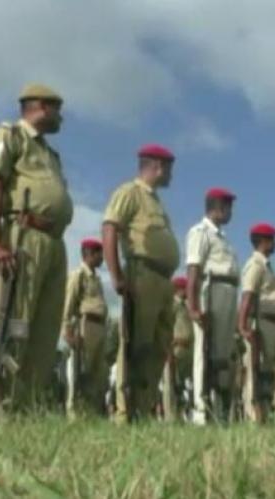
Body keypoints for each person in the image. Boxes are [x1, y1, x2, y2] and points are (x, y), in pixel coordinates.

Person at [0, 84, 73, 416]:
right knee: (15, 324)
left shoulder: (50, 153)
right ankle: (0, 410)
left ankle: (28, 408)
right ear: (41, 107)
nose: (61, 117)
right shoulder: (11, 136)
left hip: (54, 242)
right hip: (24, 236)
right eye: (57, 108)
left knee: (45, 329)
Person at [103, 144, 180, 423]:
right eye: (169, 167)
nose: (172, 174)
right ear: (157, 166)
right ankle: (125, 411)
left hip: (163, 280)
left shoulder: (156, 201)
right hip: (142, 273)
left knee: (159, 345)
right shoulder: (130, 193)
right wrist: (117, 276)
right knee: (137, 344)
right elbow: (110, 227)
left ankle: (144, 409)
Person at [185, 188, 240, 424]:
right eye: (228, 207)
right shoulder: (201, 232)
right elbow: (193, 270)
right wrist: (193, 305)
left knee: (221, 355)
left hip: (227, 292)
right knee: (205, 353)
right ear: (217, 207)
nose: (230, 212)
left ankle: (217, 410)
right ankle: (201, 411)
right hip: (212, 290)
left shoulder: (222, 238)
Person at [237, 223, 275, 423]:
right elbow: (247, 295)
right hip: (261, 322)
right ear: (263, 241)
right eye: (272, 240)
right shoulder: (255, 265)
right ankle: (254, 417)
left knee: (267, 373)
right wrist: (243, 325)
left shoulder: (266, 266)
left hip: (273, 323)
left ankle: (265, 415)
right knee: (256, 373)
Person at [61, 238, 109, 419]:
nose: (102, 258)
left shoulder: (96, 278)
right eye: (99, 254)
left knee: (98, 373)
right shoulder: (78, 275)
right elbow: (68, 303)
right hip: (85, 324)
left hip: (100, 326)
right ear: (89, 254)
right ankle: (75, 414)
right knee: (81, 371)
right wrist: (67, 332)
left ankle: (92, 412)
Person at [161, 276, 194, 422]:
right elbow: (165, 329)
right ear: (179, 289)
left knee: (182, 386)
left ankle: (181, 414)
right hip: (175, 349)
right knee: (171, 383)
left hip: (187, 350)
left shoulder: (185, 307)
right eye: (186, 288)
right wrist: (168, 350)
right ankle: (171, 417)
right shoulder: (172, 305)